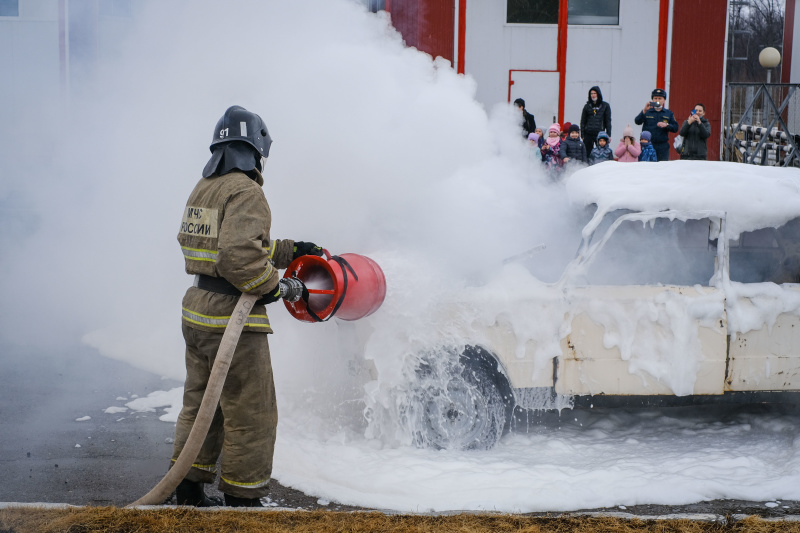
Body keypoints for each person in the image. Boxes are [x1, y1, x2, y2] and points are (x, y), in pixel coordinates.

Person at [173, 105, 324, 508]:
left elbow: (220, 245)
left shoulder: (205, 187)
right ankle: (243, 499)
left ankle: (187, 486)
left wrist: (292, 250)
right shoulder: (247, 190)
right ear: (256, 148)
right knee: (252, 411)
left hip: (199, 312)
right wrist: (278, 287)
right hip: (230, 319)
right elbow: (239, 255)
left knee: (203, 405)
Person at [634, 88, 679, 161]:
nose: (657, 100)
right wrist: (644, 110)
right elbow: (637, 121)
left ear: (664, 100)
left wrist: (667, 125)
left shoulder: (668, 113)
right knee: (646, 168)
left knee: (661, 168)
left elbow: (675, 128)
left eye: (660, 98)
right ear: (652, 100)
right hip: (647, 145)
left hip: (662, 147)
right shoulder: (647, 111)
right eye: (655, 98)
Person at [580, 86, 612, 154]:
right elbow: (583, 121)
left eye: (594, 93)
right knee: (587, 153)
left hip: (600, 133)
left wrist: (609, 134)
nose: (593, 95)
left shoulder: (605, 106)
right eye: (591, 93)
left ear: (598, 94)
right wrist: (582, 135)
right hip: (588, 134)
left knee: (601, 153)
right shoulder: (587, 106)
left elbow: (608, 121)